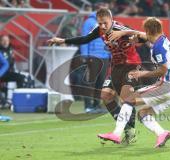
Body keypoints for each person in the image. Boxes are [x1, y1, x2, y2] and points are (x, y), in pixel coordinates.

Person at [47, 8, 145, 144]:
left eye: (105, 23)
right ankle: (127, 128)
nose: (103, 26)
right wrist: (62, 40)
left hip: (131, 66)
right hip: (116, 67)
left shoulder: (120, 29)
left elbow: (144, 37)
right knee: (105, 96)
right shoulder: (98, 30)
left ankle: (129, 131)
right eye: (100, 23)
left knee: (126, 99)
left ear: (111, 20)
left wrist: (124, 32)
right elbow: (85, 39)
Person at [97, 17, 170, 148]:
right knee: (143, 114)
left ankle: (116, 133)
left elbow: (163, 70)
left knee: (129, 100)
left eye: (145, 31)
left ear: (148, 30)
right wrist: (130, 36)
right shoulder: (162, 39)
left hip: (166, 86)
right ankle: (162, 133)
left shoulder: (158, 47)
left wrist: (143, 73)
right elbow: (143, 36)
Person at [80, 3, 111, 113]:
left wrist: (111, 54)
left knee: (100, 82)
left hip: (105, 57)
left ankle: (96, 105)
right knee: (90, 81)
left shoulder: (107, 23)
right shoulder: (89, 22)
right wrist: (85, 56)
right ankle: (88, 107)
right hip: (93, 56)